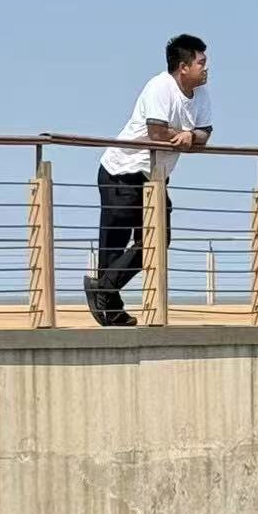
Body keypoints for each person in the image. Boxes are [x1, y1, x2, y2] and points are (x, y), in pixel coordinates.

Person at [84, 34, 212, 326]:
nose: (206, 69)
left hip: (154, 177)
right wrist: (184, 137)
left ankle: (103, 288)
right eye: (201, 63)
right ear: (183, 67)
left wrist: (190, 135)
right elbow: (156, 132)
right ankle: (111, 311)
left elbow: (205, 133)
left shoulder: (201, 94)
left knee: (157, 239)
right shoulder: (160, 87)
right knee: (114, 246)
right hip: (122, 171)